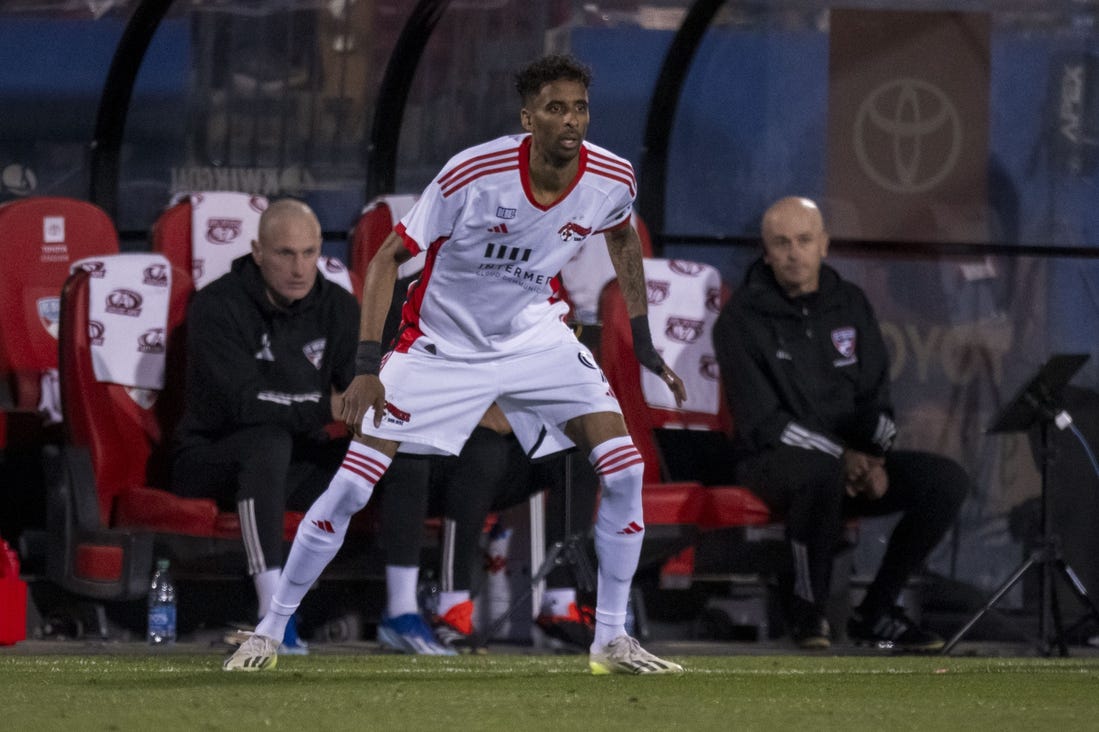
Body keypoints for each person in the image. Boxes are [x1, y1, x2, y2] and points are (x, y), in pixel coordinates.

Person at [225, 54, 685, 674]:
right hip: (439, 346)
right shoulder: (475, 172)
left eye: (579, 107)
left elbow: (623, 236)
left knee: (625, 469)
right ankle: (270, 630)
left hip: (535, 339)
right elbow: (389, 257)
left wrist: (645, 340)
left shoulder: (612, 177)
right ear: (528, 118)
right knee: (353, 487)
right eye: (555, 108)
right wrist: (367, 364)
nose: (570, 120)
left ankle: (610, 637)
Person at [712, 196, 969, 652]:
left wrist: (875, 459)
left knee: (945, 480)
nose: (794, 253)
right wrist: (842, 457)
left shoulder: (850, 303)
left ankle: (875, 613)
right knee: (819, 473)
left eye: (805, 241)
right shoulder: (739, 320)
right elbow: (764, 422)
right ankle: (808, 614)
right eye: (782, 243)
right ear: (766, 252)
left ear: (824, 245)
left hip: (852, 464)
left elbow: (878, 398)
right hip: (770, 461)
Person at [172, 198, 360, 653]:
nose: (299, 268)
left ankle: (405, 607)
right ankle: (272, 616)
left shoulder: (338, 306)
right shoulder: (217, 306)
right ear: (258, 252)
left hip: (292, 459)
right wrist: (324, 407)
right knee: (266, 440)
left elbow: (357, 396)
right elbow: (243, 405)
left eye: (309, 253)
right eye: (285, 254)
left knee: (374, 454)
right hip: (208, 459)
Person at [376, 406, 600, 655]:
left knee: (575, 454)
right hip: (433, 459)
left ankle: (559, 606)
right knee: (483, 448)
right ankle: (453, 608)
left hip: (496, 452)